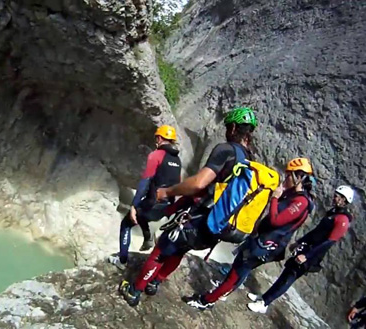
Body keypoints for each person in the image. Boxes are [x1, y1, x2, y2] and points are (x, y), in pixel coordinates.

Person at [119, 106, 259, 306]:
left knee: (162, 250)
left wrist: (167, 192)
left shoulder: (226, 150)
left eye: (229, 126)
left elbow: (199, 183)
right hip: (218, 226)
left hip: (200, 218)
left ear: (234, 127)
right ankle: (155, 282)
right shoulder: (250, 161)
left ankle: (136, 290)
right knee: (179, 250)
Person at [183, 157, 315, 310]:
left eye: (289, 175)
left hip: (266, 244)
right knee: (238, 270)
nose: (285, 179)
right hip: (263, 241)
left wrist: (275, 199)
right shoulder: (295, 197)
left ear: (299, 177)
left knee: (236, 273)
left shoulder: (301, 202)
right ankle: (219, 294)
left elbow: (276, 221)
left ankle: (206, 301)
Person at [247, 185, 355, 314]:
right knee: (286, 273)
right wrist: (300, 242)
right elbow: (316, 232)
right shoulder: (333, 213)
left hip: (311, 255)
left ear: (344, 200)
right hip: (307, 248)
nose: (335, 197)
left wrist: (307, 256)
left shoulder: (342, 220)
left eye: (338, 196)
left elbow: (328, 242)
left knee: (289, 278)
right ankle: (264, 298)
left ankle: (264, 303)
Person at [108, 125, 182, 270]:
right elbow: (177, 184)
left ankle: (122, 261)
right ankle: (148, 237)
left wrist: (133, 206)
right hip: (166, 206)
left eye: (156, 138)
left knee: (126, 224)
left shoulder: (156, 155)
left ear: (159, 138)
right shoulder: (177, 160)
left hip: (153, 203)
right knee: (143, 212)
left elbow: (145, 182)